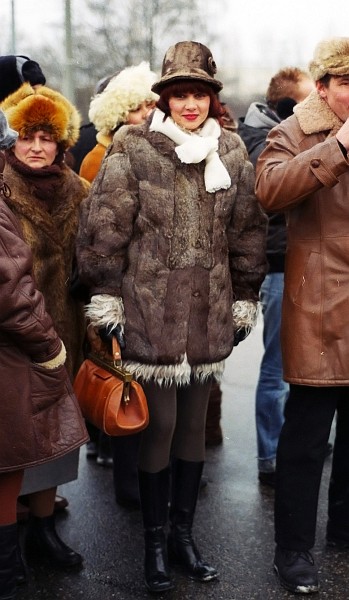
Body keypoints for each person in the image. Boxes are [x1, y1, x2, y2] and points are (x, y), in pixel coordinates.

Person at [76, 40, 267, 593]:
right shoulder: (135, 147)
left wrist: (245, 296)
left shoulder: (230, 151)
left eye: (199, 94)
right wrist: (107, 296)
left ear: (212, 97)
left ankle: (185, 539)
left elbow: (247, 233)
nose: (190, 105)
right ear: (164, 98)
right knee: (157, 426)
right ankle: (154, 546)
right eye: (180, 94)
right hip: (149, 311)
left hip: (208, 312)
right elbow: (104, 228)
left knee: (192, 431)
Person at [255, 36, 349, 594]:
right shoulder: (293, 131)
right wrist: (339, 147)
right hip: (320, 300)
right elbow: (268, 191)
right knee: (307, 435)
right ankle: (292, 550)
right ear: (323, 87)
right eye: (347, 84)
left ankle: (343, 529)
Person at [1, 82, 90, 573]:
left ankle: (43, 530)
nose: (36, 146)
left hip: (66, 333)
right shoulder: (1, 188)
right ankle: (8, 538)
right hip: (15, 340)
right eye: (25, 136)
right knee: (13, 441)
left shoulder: (80, 190)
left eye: (46, 137)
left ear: (62, 143)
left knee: (58, 437)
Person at [79, 62, 158, 504]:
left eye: (151, 103)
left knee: (149, 388)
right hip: (119, 291)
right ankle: (128, 483)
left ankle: (147, 476)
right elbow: (95, 232)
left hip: (150, 292)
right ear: (118, 112)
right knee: (123, 383)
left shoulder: (151, 148)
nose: (147, 112)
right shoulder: (98, 156)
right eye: (137, 106)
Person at [238, 68, 315, 487]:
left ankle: (293, 444)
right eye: (306, 103)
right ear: (287, 106)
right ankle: (270, 454)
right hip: (280, 267)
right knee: (277, 367)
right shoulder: (264, 142)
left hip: (296, 265)